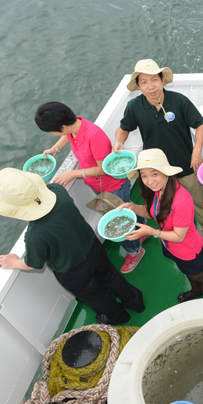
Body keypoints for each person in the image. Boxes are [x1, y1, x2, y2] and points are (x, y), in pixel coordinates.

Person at [0, 168, 144, 325]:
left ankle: (118, 316)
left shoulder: (34, 235)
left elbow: (33, 263)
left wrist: (14, 262)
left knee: (96, 295)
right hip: (93, 248)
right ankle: (136, 302)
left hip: (74, 272)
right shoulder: (57, 191)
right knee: (112, 277)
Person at [113, 59, 203, 245]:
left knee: (199, 199)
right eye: (144, 82)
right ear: (138, 85)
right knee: (160, 203)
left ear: (162, 79)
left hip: (185, 163)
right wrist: (118, 141)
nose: (150, 86)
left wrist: (196, 151)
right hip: (155, 169)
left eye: (153, 80)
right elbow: (123, 128)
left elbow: (200, 125)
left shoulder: (179, 101)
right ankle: (169, 231)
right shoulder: (134, 107)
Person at [35, 101, 147, 274]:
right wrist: (55, 148)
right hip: (98, 185)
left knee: (119, 221)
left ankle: (135, 251)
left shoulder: (94, 136)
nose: (52, 134)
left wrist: (72, 174)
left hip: (112, 186)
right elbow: (67, 136)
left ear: (63, 126)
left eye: (52, 131)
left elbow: (103, 169)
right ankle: (141, 227)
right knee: (126, 207)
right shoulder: (75, 126)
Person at [119, 149, 203, 303]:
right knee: (189, 274)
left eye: (154, 174)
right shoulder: (158, 190)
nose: (149, 181)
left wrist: (152, 231)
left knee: (202, 278)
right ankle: (196, 290)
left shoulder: (181, 201)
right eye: (144, 175)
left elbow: (179, 236)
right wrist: (132, 207)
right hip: (170, 246)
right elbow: (152, 211)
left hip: (188, 251)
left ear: (166, 172)